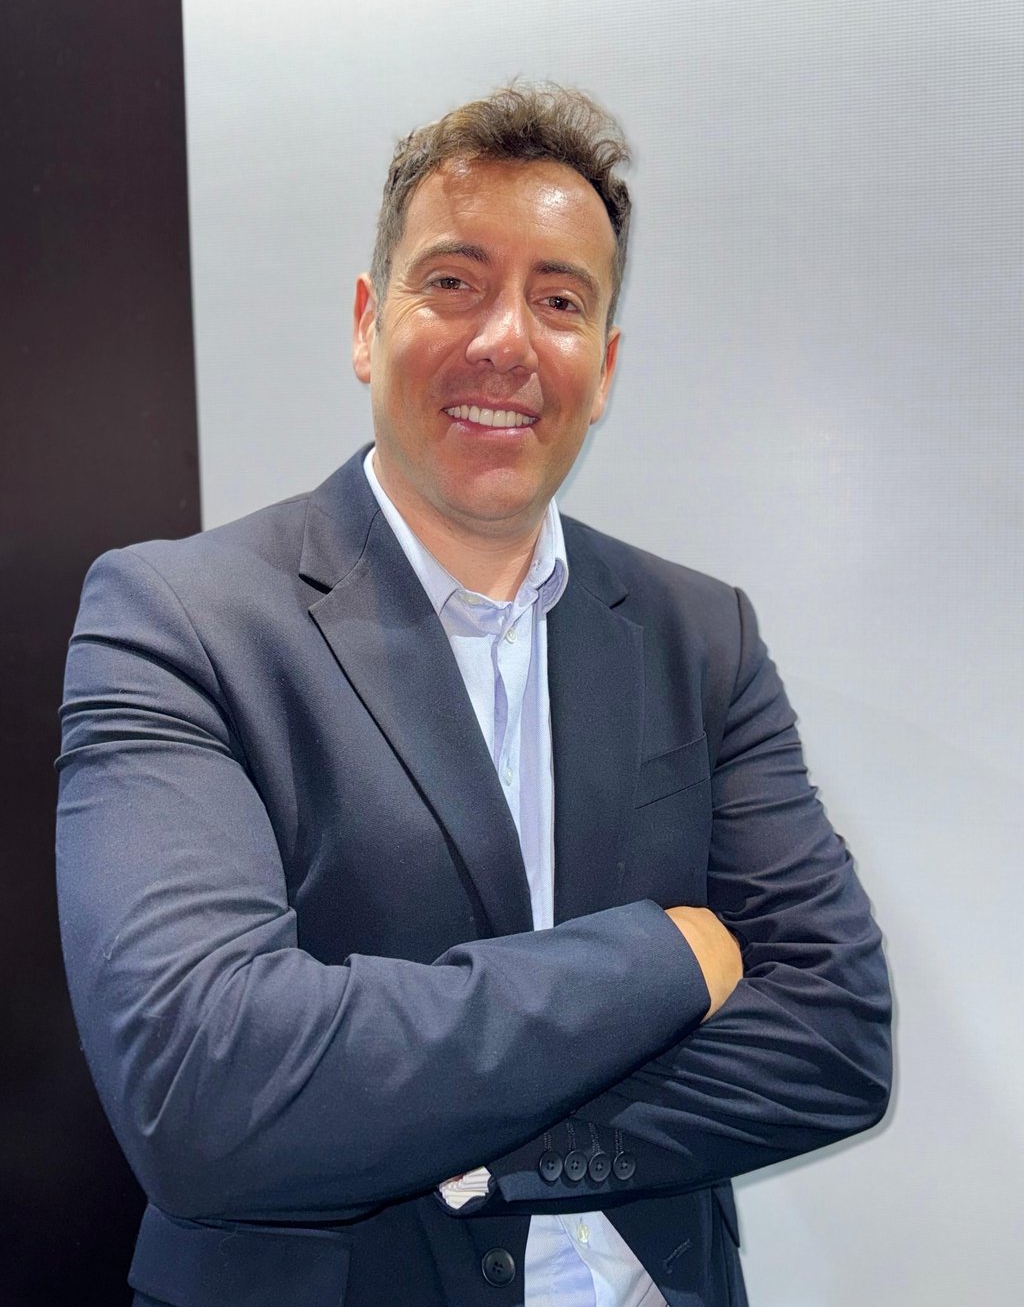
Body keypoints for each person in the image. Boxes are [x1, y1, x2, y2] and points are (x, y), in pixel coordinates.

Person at [56, 85, 891, 1307]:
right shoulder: (177, 618)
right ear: (367, 323)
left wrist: (481, 1162)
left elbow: (834, 1038)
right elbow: (205, 1088)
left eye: (559, 301)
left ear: (602, 370)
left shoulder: (700, 634)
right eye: (453, 281)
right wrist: (665, 955)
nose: (507, 340)